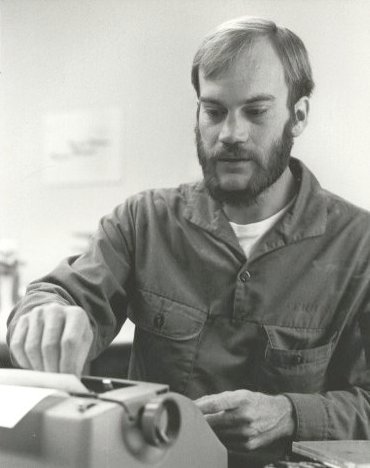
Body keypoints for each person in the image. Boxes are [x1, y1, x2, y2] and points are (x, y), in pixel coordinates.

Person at [7, 16, 370, 463]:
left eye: (256, 112)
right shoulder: (143, 221)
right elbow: (59, 292)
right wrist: (48, 313)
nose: (230, 134)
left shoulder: (360, 247)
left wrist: (291, 413)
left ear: (298, 116)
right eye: (214, 111)